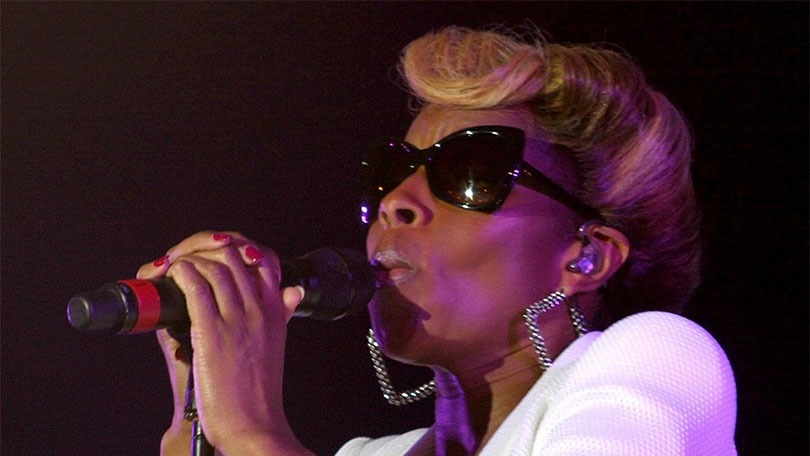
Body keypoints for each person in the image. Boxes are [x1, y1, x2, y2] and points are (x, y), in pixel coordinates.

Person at [139, 26, 737, 455]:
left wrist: (251, 432)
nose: (396, 201)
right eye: (391, 171)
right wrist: (199, 420)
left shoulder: (661, 355)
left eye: (468, 174)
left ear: (587, 256)